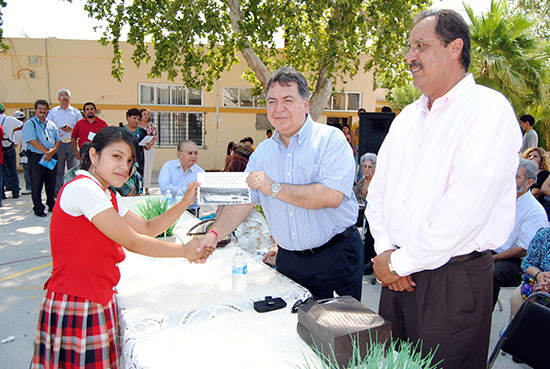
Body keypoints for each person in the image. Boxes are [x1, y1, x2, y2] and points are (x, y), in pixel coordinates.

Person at [365, 9, 521, 369]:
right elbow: (379, 193)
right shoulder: (406, 118)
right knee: (388, 364)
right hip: (397, 277)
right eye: (408, 48)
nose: (409, 57)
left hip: (451, 281)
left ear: (455, 48)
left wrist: (397, 262)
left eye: (420, 45)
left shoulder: (488, 111)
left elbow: (464, 210)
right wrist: (387, 251)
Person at [31, 126, 213, 368]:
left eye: (129, 160)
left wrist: (184, 203)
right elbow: (132, 240)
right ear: (94, 156)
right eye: (116, 156)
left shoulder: (105, 193)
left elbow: (147, 228)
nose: (124, 167)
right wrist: (185, 251)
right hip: (79, 299)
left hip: (97, 295)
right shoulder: (83, 188)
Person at [197, 66, 363, 301]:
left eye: (288, 100)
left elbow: (330, 196)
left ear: (306, 104)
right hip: (289, 262)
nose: (279, 109)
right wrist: (214, 233)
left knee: (336, 334)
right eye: (272, 101)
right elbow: (243, 203)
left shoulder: (330, 140)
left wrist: (274, 187)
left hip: (335, 258)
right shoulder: (262, 153)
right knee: (288, 330)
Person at [492, 159, 547, 310]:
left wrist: (492, 258)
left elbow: (522, 250)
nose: (510, 179)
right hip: (492, 250)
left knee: (490, 273)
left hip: (517, 263)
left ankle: (479, 321)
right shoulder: (502, 199)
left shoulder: (534, 211)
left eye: (516, 176)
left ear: (529, 182)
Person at [23, 99, 62, 217]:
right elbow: (32, 141)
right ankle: (38, 208)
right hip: (37, 157)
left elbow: (58, 140)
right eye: (40, 109)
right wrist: (46, 152)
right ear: (35, 110)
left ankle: (51, 203)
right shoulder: (30, 124)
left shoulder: (51, 124)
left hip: (50, 156)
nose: (42, 111)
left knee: (51, 182)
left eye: (45, 109)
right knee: (37, 183)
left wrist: (53, 151)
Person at [46, 89, 83, 196]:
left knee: (73, 169)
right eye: (62, 96)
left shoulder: (75, 112)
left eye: (66, 95)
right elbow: (48, 126)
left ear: (70, 98)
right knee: (58, 169)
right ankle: (57, 193)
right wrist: (58, 130)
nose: (64, 97)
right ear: (58, 99)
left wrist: (71, 129)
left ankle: (72, 193)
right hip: (58, 143)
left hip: (72, 143)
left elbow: (80, 126)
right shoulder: (53, 111)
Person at [509, 227, 550, 316]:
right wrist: (539, 275)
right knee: (517, 297)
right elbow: (527, 263)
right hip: (541, 283)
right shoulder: (544, 234)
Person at [158, 140, 204, 216]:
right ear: (179, 154)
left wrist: (174, 189)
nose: (194, 156)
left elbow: (199, 194)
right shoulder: (168, 166)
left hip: (190, 210)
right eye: (190, 153)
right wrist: (188, 189)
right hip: (170, 209)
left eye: (196, 153)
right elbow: (164, 188)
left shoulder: (200, 173)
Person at [354, 152, 377, 275]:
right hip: (360, 213)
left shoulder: (377, 182)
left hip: (372, 214)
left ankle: (368, 262)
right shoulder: (360, 183)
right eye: (364, 166)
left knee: (370, 228)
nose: (367, 169)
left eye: (370, 167)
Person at [123, 108, 150, 195]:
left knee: (138, 182)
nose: (136, 121)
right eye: (134, 118)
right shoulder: (121, 130)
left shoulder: (142, 132)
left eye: (138, 119)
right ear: (128, 117)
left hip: (139, 160)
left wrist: (147, 146)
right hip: (124, 160)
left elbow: (146, 146)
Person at [1, 104, 23, 199]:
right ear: (4, 110)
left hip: (0, 147)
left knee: (1, 172)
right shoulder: (10, 119)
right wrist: (13, 130)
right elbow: (22, 125)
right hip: (10, 145)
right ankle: (15, 192)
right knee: (13, 170)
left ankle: (2, 194)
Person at [11, 111, 32, 194]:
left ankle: (29, 187)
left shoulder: (17, 132)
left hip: (25, 155)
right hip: (35, 153)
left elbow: (15, 144)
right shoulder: (30, 127)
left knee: (27, 172)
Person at [139, 108, 157, 195]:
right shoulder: (137, 124)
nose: (146, 116)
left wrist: (149, 143)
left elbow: (155, 136)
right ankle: (139, 187)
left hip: (149, 148)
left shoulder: (151, 125)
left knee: (148, 168)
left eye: (147, 114)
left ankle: (146, 188)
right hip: (139, 148)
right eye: (144, 114)